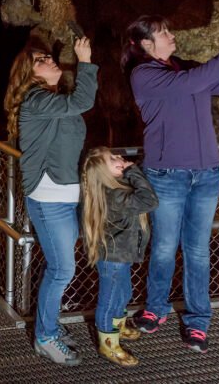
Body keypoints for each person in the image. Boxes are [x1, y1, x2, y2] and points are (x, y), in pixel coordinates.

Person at [122, 14, 219, 354]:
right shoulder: (144, 75)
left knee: (198, 250)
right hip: (167, 175)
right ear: (146, 44)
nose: (172, 35)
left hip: (206, 174)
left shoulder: (185, 69)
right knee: (164, 247)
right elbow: (189, 84)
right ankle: (156, 309)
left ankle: (198, 321)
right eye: (164, 32)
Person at [3, 37, 96, 366]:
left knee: (58, 267)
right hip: (48, 197)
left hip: (66, 194)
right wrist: (85, 61)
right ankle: (44, 337)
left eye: (48, 56)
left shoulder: (54, 100)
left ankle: (49, 323)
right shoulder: (35, 99)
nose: (50, 60)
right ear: (30, 74)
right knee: (62, 269)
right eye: (41, 60)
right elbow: (84, 100)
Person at [80, 147, 158, 367]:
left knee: (124, 293)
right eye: (112, 158)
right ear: (103, 172)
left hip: (120, 258)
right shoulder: (114, 195)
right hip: (113, 260)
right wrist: (134, 172)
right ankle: (108, 344)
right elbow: (150, 201)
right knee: (110, 300)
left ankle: (118, 326)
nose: (120, 158)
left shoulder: (115, 189)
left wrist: (129, 173)